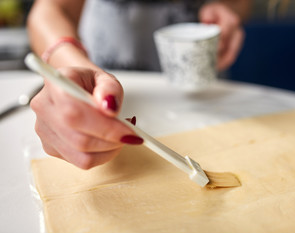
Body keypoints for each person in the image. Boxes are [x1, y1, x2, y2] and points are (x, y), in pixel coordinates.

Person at [27, 0, 250, 169]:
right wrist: (73, 68)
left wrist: (227, 7)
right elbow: (50, 10)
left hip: (205, 94)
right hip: (107, 87)